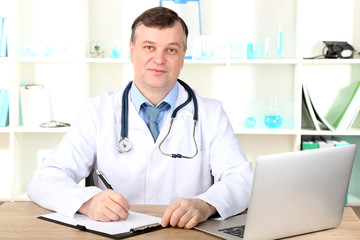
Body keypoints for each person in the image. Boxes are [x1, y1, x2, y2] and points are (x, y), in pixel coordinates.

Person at [27, 6, 253, 229]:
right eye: (149, 47)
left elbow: (243, 179)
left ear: (183, 56)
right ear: (132, 51)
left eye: (171, 50)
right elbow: (45, 179)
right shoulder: (97, 111)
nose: (159, 59)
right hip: (115, 232)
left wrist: (206, 204)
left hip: (185, 234)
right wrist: (87, 202)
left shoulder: (210, 113)